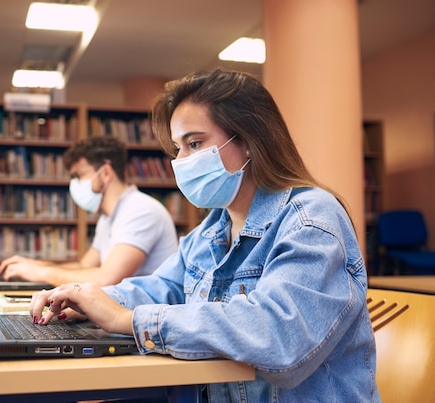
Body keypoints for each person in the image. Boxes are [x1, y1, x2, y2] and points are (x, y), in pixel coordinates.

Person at [30, 69, 380, 402]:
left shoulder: (312, 219)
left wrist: (127, 319)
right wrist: (87, 300)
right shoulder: (214, 227)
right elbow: (161, 288)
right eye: (177, 148)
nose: (180, 161)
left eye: (194, 143)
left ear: (249, 141)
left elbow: (277, 335)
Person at [0, 135, 179, 287]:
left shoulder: (140, 210)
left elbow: (106, 279)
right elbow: (83, 266)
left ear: (106, 173)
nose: (74, 183)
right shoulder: (109, 217)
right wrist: (35, 264)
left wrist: (42, 273)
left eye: (79, 175)